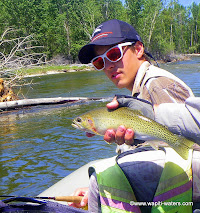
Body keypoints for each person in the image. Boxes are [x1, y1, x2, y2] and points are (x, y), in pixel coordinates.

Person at [70, 19, 197, 212]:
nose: (108, 66)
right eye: (99, 61)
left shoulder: (158, 85)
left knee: (104, 178)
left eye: (113, 54)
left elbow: (190, 149)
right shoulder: (139, 87)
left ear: (138, 50)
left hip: (183, 189)